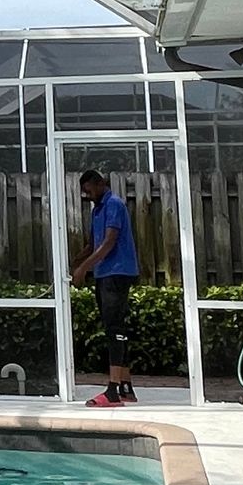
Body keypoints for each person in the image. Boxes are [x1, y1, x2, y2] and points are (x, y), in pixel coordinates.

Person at [71, 169, 140, 408]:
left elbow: (109, 242)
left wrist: (83, 270)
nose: (87, 195)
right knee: (115, 327)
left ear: (100, 184)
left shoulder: (114, 204)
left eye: (89, 190)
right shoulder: (97, 209)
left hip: (118, 272)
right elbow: (93, 244)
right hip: (104, 274)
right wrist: (75, 261)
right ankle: (126, 387)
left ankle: (112, 392)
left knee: (114, 329)